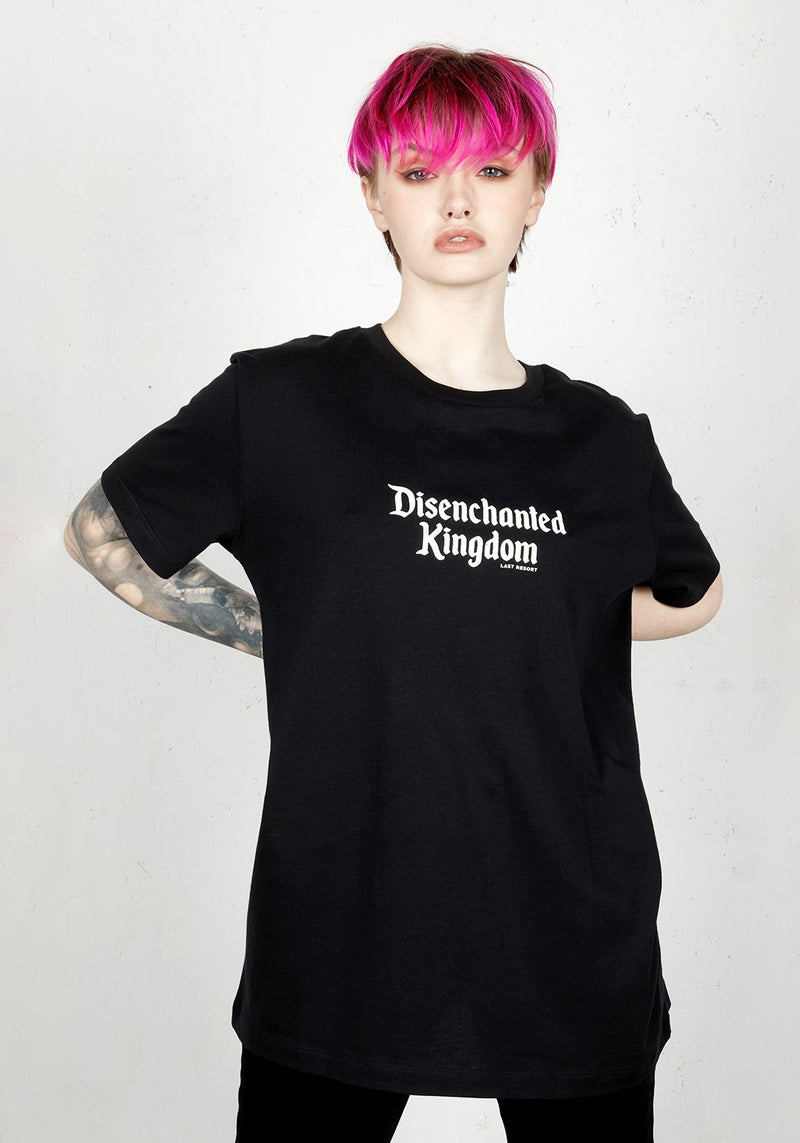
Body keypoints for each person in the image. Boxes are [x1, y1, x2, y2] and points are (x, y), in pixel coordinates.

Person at [64, 43, 723, 1142]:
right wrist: (279, 629)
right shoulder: (281, 403)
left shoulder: (603, 438)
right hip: (342, 934)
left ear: (537, 192)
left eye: (492, 170)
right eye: (419, 172)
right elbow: (103, 532)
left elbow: (693, 592)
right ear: (373, 196)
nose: (457, 200)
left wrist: (538, 612)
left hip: (569, 934)